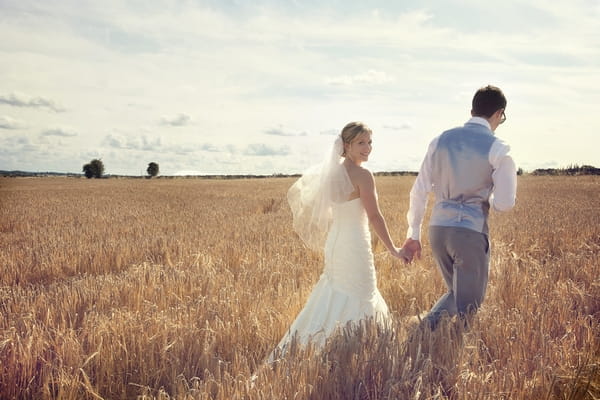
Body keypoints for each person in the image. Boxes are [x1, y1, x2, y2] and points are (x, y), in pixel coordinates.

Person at [268, 121, 408, 361]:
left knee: (335, 291)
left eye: (369, 142)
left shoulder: (332, 173)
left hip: (335, 242)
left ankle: (317, 346)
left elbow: (327, 212)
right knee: (361, 291)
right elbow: (374, 216)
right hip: (354, 243)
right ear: (346, 145)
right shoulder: (364, 175)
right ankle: (352, 351)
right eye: (361, 143)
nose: (367, 148)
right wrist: (394, 249)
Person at [402, 85, 517, 329]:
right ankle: (423, 330)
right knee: (470, 304)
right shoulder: (499, 149)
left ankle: (426, 335)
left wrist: (413, 233)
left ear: (472, 110)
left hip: (438, 230)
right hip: (469, 231)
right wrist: (488, 201)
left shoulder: (440, 140)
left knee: (458, 293)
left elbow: (419, 189)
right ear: (499, 113)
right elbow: (505, 204)